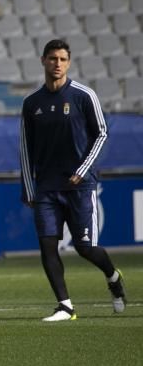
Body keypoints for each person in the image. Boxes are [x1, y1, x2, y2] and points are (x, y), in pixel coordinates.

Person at [19, 39, 126, 322]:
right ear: (43, 60)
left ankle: (113, 276)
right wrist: (29, 188)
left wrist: (83, 168)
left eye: (63, 59)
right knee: (47, 245)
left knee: (85, 247)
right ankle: (65, 305)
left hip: (80, 185)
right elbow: (25, 148)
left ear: (69, 62)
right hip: (46, 187)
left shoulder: (83, 95)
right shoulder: (32, 103)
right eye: (52, 58)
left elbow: (101, 133)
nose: (57, 64)